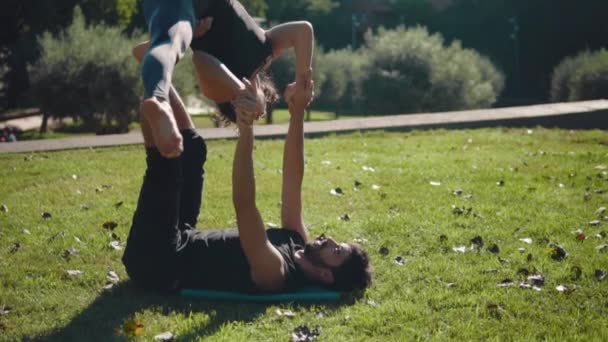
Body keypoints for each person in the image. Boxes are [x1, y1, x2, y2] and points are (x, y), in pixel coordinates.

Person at [122, 78, 372, 294]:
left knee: (168, 163)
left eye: (337, 251)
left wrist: (246, 129)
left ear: (327, 275)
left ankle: (152, 100)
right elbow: (293, 181)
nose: (329, 240)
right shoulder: (296, 240)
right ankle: (155, 72)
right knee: (193, 147)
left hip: (157, 261)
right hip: (181, 234)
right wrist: (297, 111)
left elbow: (244, 207)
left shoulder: (275, 273)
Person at [132, 0, 314, 126]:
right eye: (262, 112)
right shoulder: (265, 53)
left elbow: (200, 59)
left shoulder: (219, 92)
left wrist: (240, 91)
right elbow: (303, 30)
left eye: (255, 115)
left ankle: (159, 100)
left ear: (238, 107)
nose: (261, 113)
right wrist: (301, 83)